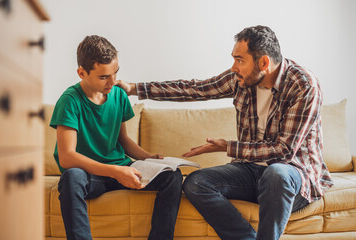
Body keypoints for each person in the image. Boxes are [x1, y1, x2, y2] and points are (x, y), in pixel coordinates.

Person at [116, 26, 333, 240]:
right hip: (250, 171)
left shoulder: (303, 85)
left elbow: (283, 151)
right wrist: (134, 88)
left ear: (264, 63)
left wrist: (226, 146)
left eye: (240, 60)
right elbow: (194, 89)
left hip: (293, 178)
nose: (233, 67)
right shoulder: (242, 80)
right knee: (195, 183)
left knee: (276, 173)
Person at [50, 35, 183, 240]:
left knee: (172, 176)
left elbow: (123, 140)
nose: (112, 82)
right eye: (104, 77)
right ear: (82, 73)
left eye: (115, 73)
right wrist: (115, 171)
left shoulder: (118, 95)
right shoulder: (70, 101)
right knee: (71, 178)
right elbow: (67, 157)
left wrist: (149, 158)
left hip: (122, 169)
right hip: (92, 175)